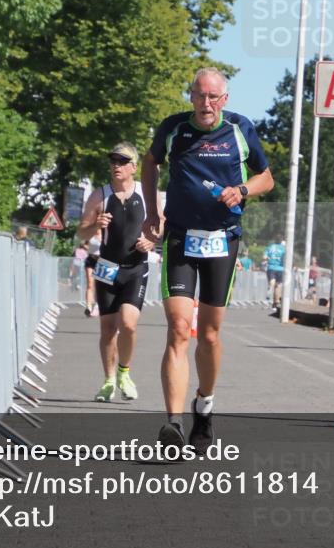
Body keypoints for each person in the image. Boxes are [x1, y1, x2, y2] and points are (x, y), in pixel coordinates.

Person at [142, 67, 274, 453]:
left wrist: (242, 190)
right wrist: (152, 212)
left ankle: (205, 403)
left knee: (210, 335)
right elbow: (150, 163)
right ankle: (173, 424)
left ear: (224, 100)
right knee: (179, 328)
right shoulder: (173, 128)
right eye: (200, 95)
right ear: (191, 97)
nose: (206, 103)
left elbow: (266, 177)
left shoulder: (239, 128)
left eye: (213, 97)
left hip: (222, 240)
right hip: (180, 237)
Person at [78, 142, 155, 403]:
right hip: (106, 268)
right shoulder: (99, 196)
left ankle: (124, 372)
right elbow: (81, 232)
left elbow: (161, 223)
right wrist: (95, 226)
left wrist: (151, 240)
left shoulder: (147, 193)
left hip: (136, 268)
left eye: (122, 161)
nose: (116, 166)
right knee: (108, 328)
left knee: (129, 324)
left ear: (134, 167)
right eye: (113, 161)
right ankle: (109, 380)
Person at [264, 239, 286, 310]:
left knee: (272, 283)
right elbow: (286, 258)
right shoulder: (284, 248)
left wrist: (269, 259)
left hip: (271, 268)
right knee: (278, 286)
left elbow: (264, 257)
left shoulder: (270, 247)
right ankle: (275, 304)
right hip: (280, 269)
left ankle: (270, 289)